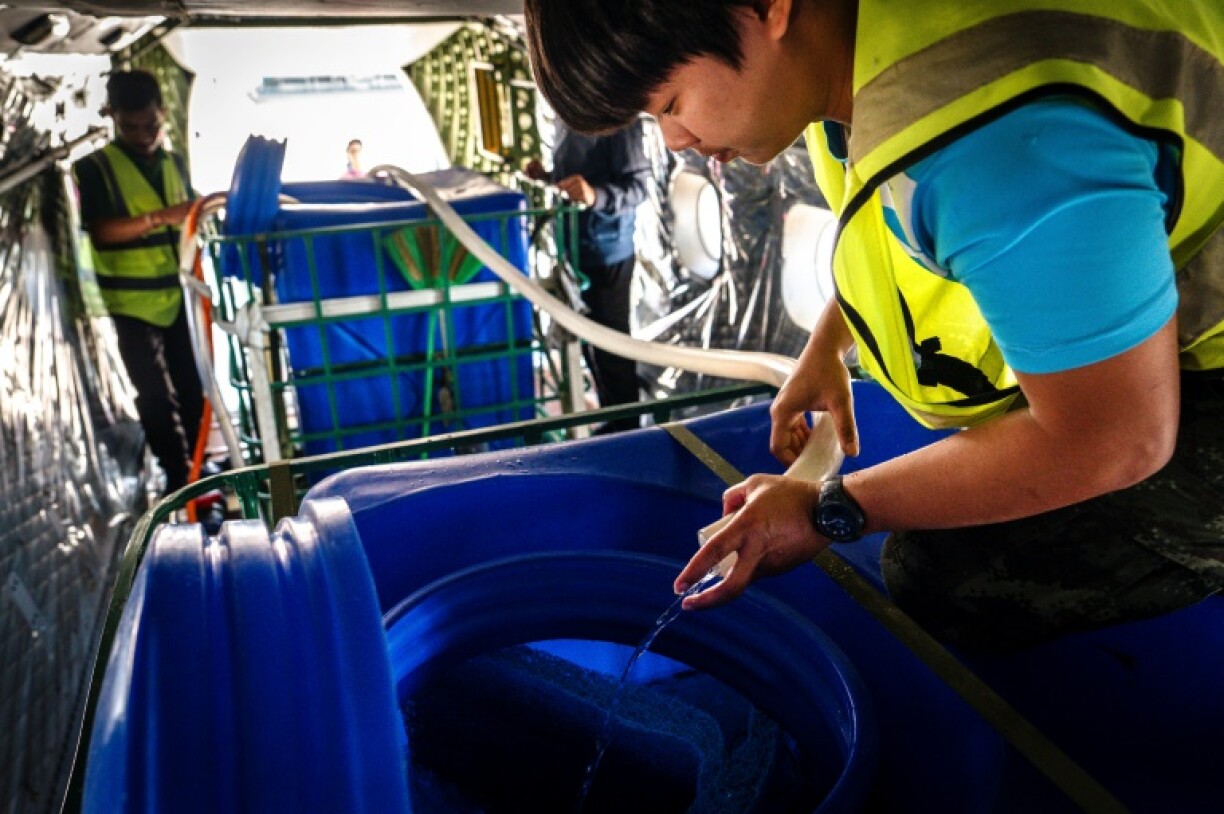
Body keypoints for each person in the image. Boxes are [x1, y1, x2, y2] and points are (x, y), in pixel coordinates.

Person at [525, 0, 1224, 649]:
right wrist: (828, 343)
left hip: (1176, 378)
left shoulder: (995, 140)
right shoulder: (857, 58)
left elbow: (1115, 438)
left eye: (670, 103)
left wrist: (827, 507)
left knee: (945, 574)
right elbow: (903, 225)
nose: (675, 140)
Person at [74, 69, 202, 494]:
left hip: (177, 294)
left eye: (151, 125)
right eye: (131, 127)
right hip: (130, 302)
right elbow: (104, 231)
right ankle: (178, 476)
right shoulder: (95, 168)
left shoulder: (174, 162)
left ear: (162, 113)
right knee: (153, 396)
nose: (143, 134)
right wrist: (159, 218)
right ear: (112, 117)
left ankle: (201, 469)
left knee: (191, 386)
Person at [526, 117, 652, 433]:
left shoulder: (621, 121)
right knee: (588, 345)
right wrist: (548, 177)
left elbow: (637, 188)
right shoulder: (566, 117)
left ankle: (629, 431)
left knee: (613, 348)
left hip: (608, 253)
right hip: (574, 250)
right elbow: (576, 179)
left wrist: (595, 195)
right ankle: (615, 420)